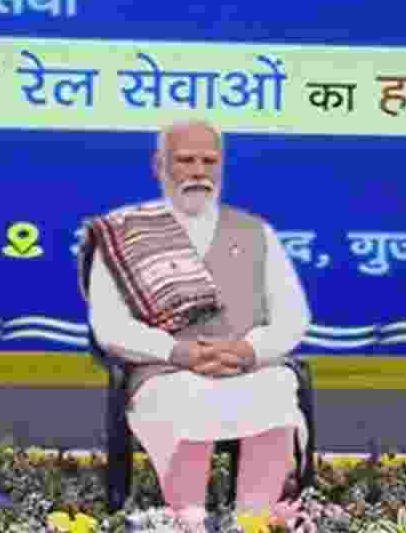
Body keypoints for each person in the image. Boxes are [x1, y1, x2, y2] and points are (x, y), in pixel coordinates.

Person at [81, 120, 310, 532]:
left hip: (245, 366)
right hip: (165, 370)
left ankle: (254, 521)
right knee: (185, 398)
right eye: (185, 160)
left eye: (209, 161)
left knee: (277, 390)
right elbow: (109, 324)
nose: (199, 171)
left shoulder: (256, 232)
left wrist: (246, 351)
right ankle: (187, 523)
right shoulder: (121, 233)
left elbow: (294, 316)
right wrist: (179, 352)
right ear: (159, 165)